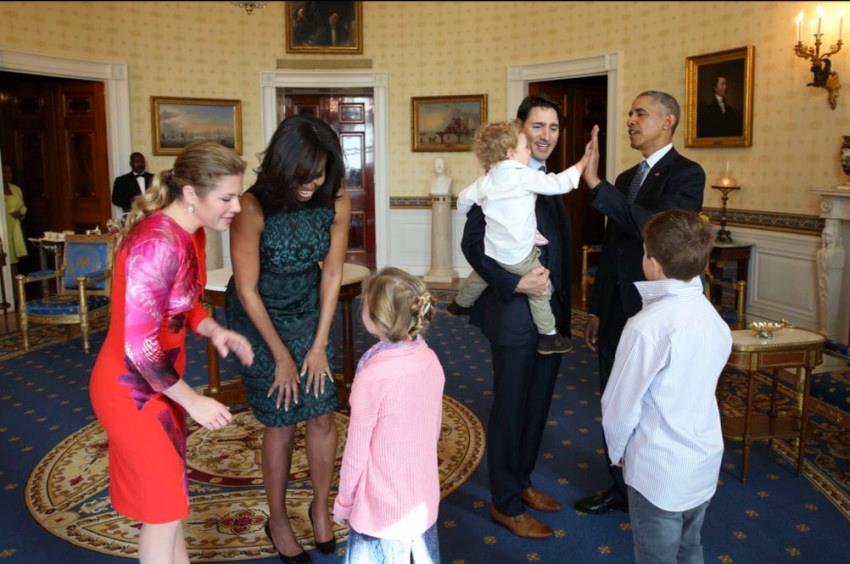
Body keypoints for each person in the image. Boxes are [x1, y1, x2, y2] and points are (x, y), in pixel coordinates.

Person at [89, 142, 254, 564]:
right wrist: (194, 400)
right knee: (162, 513)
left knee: (169, 508)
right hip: (132, 392)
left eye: (238, 195)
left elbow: (187, 303)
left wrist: (215, 329)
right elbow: (139, 348)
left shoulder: (191, 233)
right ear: (192, 195)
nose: (236, 206)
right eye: (227, 197)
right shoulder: (157, 245)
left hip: (162, 387)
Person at [225, 114, 350, 563]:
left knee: (321, 414)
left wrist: (318, 345)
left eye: (319, 173)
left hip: (308, 309)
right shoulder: (253, 207)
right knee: (280, 420)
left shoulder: (334, 199)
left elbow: (333, 272)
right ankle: (276, 518)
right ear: (281, 165)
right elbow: (246, 288)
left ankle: (320, 507)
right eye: (303, 174)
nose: (311, 183)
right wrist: (280, 355)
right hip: (261, 316)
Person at [576, 90, 706, 515]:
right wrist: (597, 307)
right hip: (616, 309)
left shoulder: (688, 175)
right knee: (615, 396)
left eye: (640, 113)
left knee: (654, 403)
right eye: (630, 113)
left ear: (667, 121)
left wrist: (596, 185)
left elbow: (655, 228)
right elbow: (614, 246)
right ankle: (619, 486)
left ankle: (650, 490)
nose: (630, 120)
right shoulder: (628, 177)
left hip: (659, 313)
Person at [459, 93, 574, 539]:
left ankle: (522, 483)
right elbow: (473, 245)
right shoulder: (498, 179)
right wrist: (514, 282)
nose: (546, 135)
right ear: (519, 131)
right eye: (537, 127)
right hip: (512, 315)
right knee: (510, 407)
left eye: (553, 127)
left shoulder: (549, 181)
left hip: (552, 318)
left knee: (537, 404)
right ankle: (504, 503)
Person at [601, 209, 732, 564]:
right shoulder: (713, 319)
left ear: (654, 264)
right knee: (691, 547)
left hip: (658, 470)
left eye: (644, 252)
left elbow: (619, 406)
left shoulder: (647, 326)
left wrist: (617, 454)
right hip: (703, 461)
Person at [450, 120, 596, 355]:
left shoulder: (485, 180)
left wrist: (475, 211)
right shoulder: (522, 175)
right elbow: (558, 183)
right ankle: (548, 335)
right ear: (510, 153)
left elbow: (463, 201)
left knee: (480, 275)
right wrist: (582, 163)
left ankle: (461, 303)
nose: (531, 150)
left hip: (493, 250)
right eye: (526, 147)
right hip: (518, 255)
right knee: (541, 289)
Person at [333, 267, 445, 564]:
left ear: (377, 317)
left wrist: (345, 502)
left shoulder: (374, 376)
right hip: (420, 499)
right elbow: (432, 429)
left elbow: (356, 452)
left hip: (379, 512)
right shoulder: (429, 359)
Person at [2, 163, 28, 280]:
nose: (9, 175)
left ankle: (18, 295)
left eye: (10, 172)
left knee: (14, 263)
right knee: (7, 261)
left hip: (15, 228)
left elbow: (22, 206)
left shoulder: (16, 189)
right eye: (5, 172)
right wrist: (11, 211)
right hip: (4, 228)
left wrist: (21, 213)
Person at [696, 74, 741, 138]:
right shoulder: (707, 109)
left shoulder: (731, 110)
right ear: (715, 87)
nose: (725, 87)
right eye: (722, 84)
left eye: (726, 84)